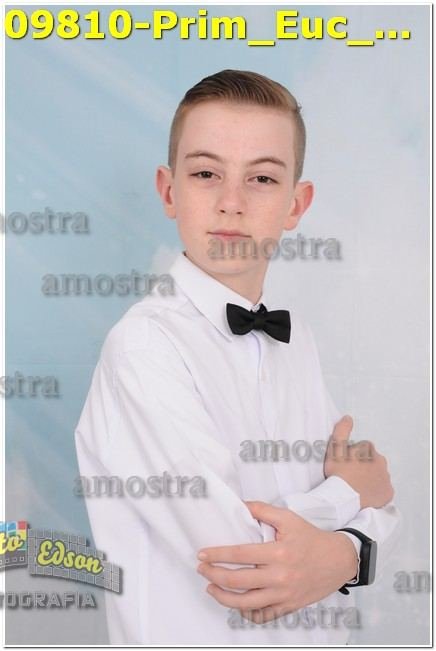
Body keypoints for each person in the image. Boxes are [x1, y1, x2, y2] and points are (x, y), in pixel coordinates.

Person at [74, 69, 401, 644]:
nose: (231, 203)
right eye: (206, 173)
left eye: (262, 179)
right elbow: (239, 562)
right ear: (169, 191)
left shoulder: (296, 342)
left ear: (296, 204)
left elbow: (383, 507)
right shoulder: (145, 348)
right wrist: (349, 509)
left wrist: (348, 540)